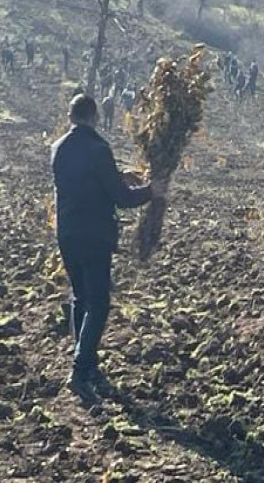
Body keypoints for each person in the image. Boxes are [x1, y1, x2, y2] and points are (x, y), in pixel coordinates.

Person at [51, 94, 165, 398]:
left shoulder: (58, 148)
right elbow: (120, 198)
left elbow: (86, 181)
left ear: (71, 115)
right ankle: (79, 368)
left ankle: (88, 364)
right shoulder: (99, 149)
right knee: (99, 303)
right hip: (94, 234)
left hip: (66, 232)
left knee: (80, 298)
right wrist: (151, 191)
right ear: (94, 117)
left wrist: (117, 174)